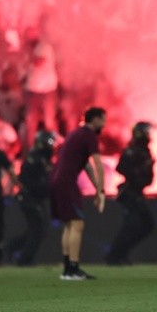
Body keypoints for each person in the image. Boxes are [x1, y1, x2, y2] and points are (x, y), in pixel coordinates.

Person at [50, 107, 106, 280]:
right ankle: (73, 269)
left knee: (69, 224)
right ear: (95, 120)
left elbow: (86, 165)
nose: (104, 124)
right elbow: (97, 164)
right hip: (66, 182)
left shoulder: (76, 134)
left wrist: (96, 188)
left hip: (56, 181)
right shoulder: (89, 135)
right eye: (103, 120)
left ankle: (68, 268)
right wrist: (102, 191)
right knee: (77, 224)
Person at [106, 122, 155, 266]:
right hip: (130, 193)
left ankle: (122, 253)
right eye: (146, 132)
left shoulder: (145, 151)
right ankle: (114, 256)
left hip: (139, 192)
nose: (149, 135)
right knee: (131, 226)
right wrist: (137, 173)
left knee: (147, 225)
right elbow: (120, 167)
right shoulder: (132, 150)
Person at [8, 130, 54, 265]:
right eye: (49, 143)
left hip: (37, 199)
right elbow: (25, 179)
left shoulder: (44, 159)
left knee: (39, 230)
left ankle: (12, 248)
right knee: (37, 230)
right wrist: (41, 188)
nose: (51, 147)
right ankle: (24, 259)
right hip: (30, 198)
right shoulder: (34, 158)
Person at [0, 143, 20, 264]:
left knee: (0, 225)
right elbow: (10, 170)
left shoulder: (0, 154)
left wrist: (18, 185)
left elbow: (10, 170)